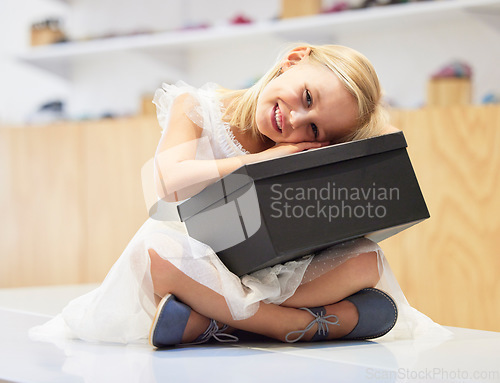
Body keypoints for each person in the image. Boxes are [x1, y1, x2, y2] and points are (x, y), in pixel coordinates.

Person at [30, 43, 447, 347]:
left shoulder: (301, 149)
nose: (296, 121)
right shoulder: (197, 106)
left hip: (260, 272)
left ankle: (213, 322)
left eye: (315, 130)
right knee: (155, 252)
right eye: (306, 97)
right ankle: (287, 324)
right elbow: (168, 180)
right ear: (292, 59)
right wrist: (258, 163)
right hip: (198, 262)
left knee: (367, 259)